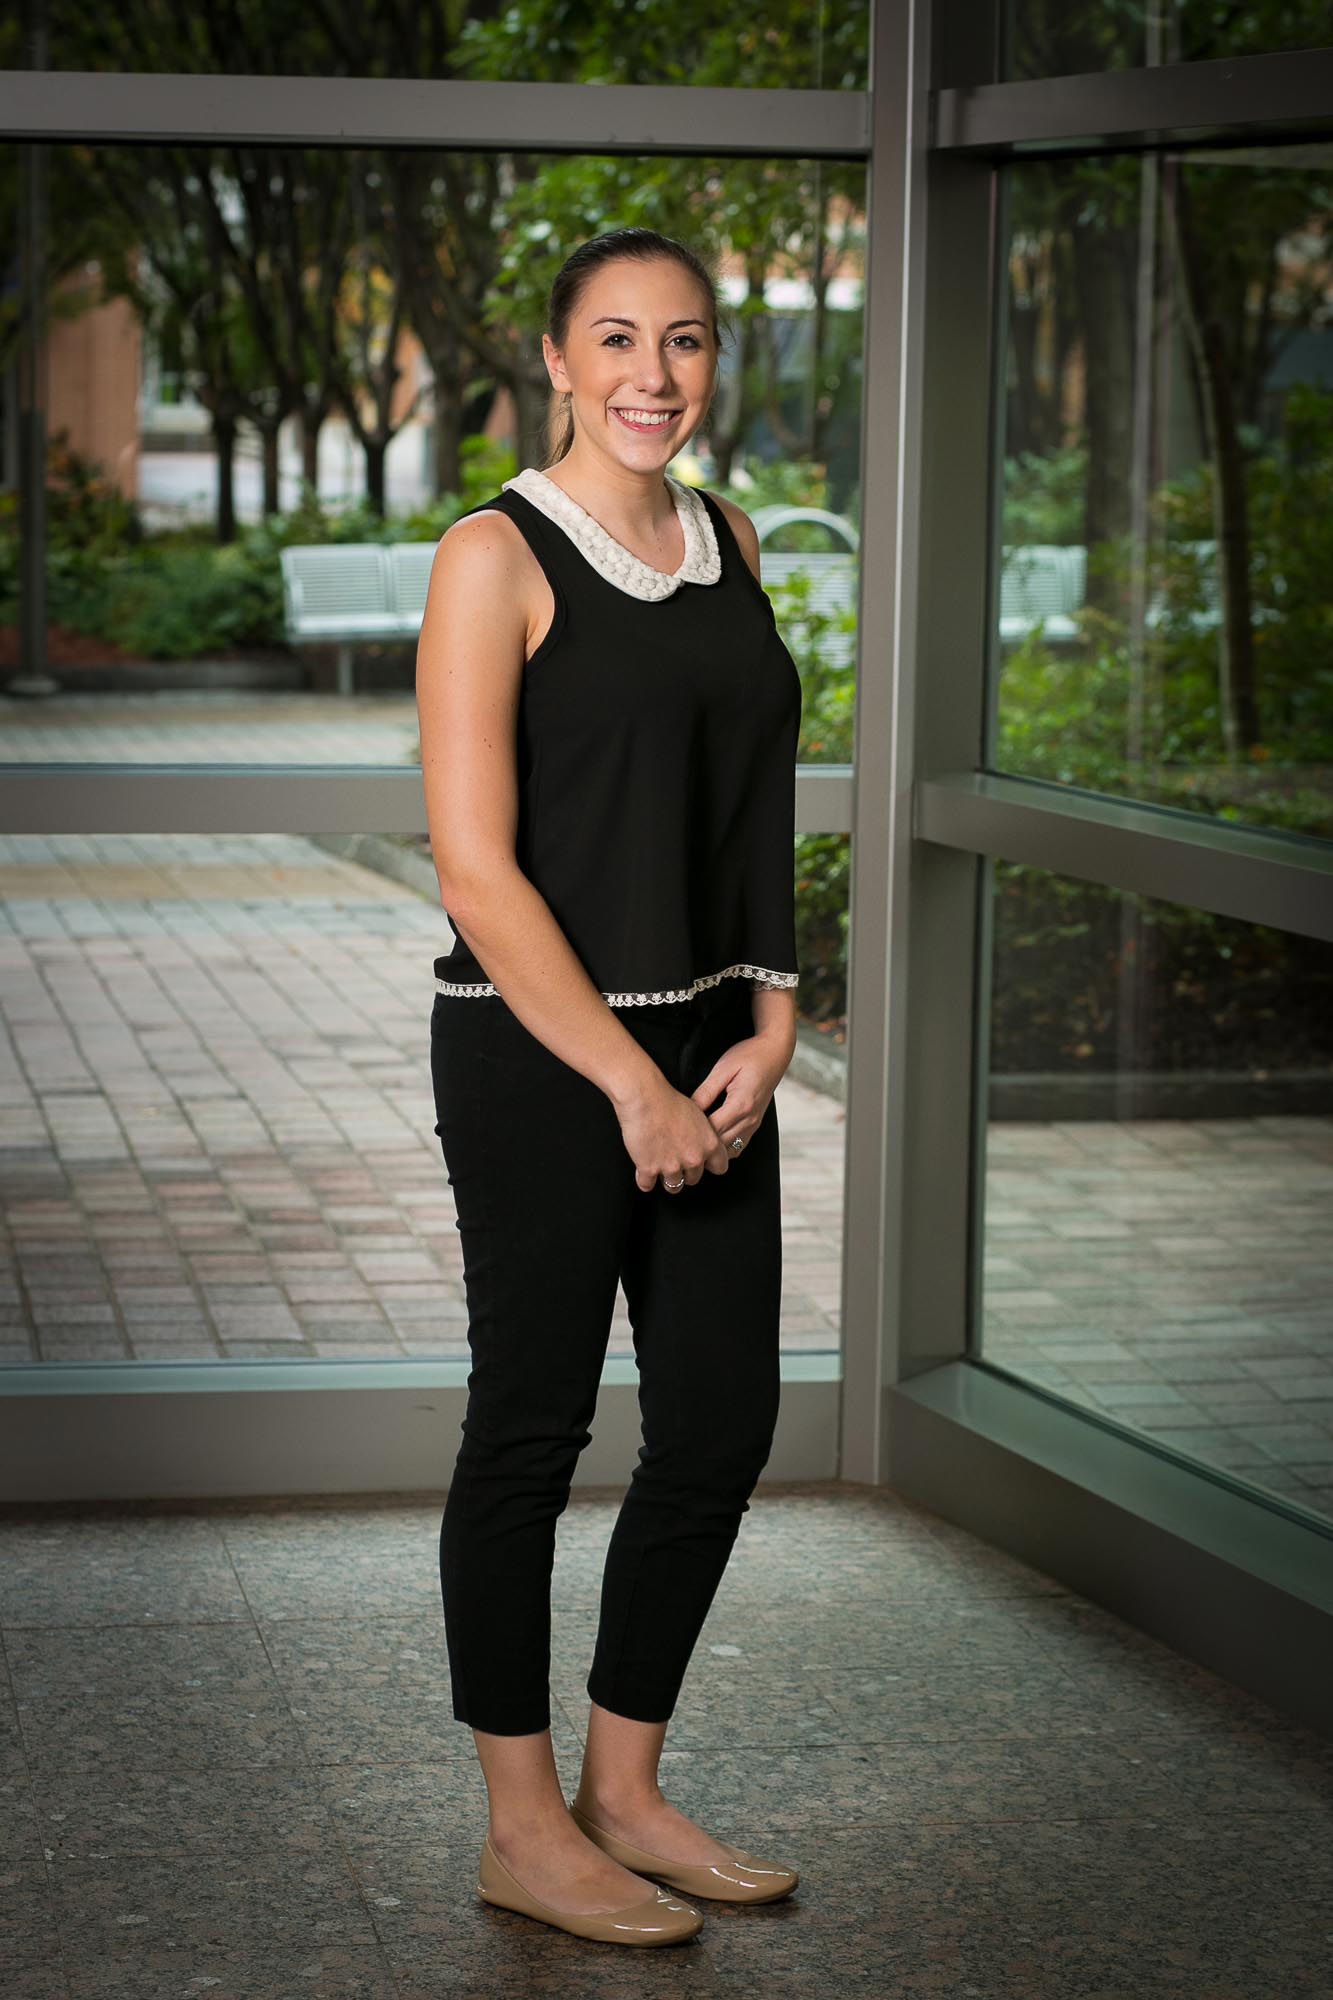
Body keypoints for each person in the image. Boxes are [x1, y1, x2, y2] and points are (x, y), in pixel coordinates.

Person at [416, 227, 803, 1948]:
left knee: (720, 1420)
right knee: (530, 1432)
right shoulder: (490, 559)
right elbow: (476, 873)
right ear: (557, 361)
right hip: (537, 1056)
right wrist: (627, 1088)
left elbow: (752, 810)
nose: (656, 374)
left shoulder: (722, 538)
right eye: (618, 341)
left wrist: (778, 1014)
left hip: (712, 1055)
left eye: (689, 341)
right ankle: (521, 1825)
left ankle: (623, 1789)